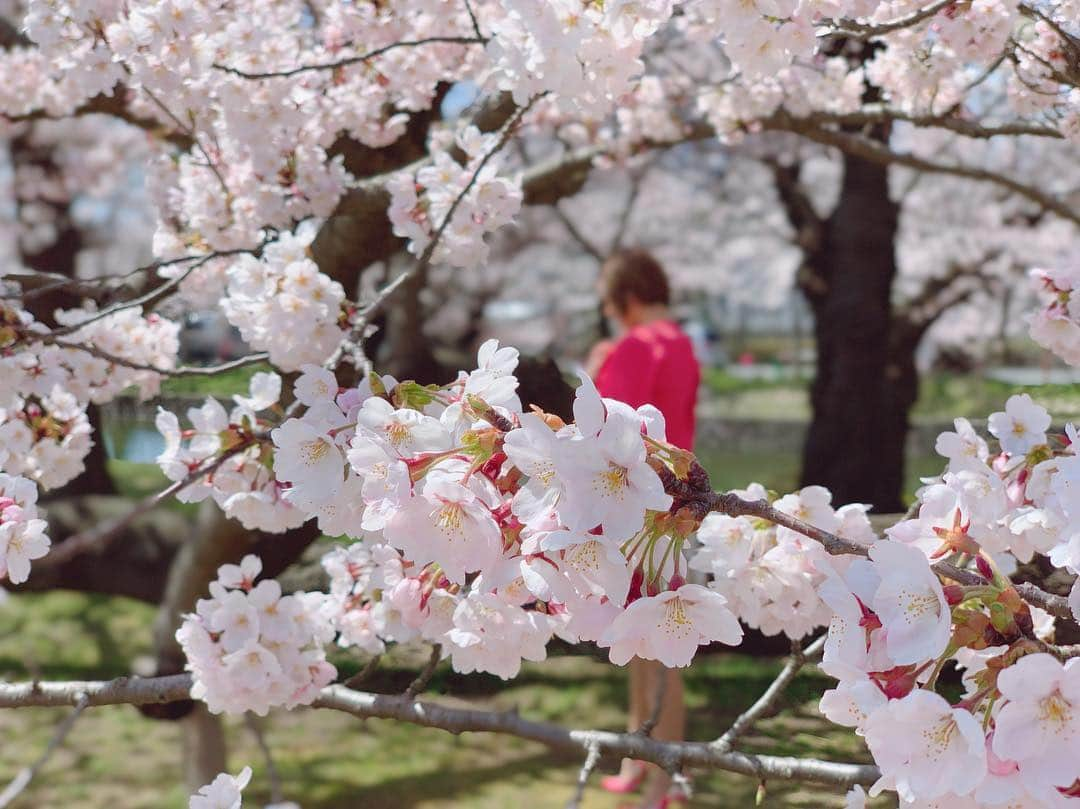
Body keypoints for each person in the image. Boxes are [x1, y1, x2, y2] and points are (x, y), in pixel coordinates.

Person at [585, 248, 700, 809]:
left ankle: (667, 776)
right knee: (639, 637)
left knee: (654, 641)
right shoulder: (679, 342)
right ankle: (640, 757)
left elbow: (605, 422)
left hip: (635, 503)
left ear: (624, 299)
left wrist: (592, 368)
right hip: (671, 498)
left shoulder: (635, 345)